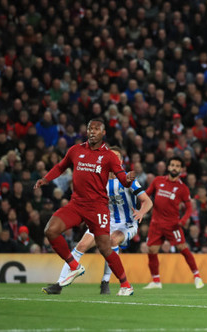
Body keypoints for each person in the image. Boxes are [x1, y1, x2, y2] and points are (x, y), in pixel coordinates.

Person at [34, 118, 136, 289]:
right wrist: (45, 179)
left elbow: (122, 179)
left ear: (103, 133)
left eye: (96, 129)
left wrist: (128, 180)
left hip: (97, 208)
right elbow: (60, 166)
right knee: (50, 231)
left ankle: (126, 284)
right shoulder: (75, 150)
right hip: (76, 204)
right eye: (90, 128)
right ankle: (74, 267)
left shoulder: (109, 156)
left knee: (105, 247)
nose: (92, 131)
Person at [42, 147, 153, 295]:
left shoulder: (127, 180)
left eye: (118, 157)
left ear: (120, 161)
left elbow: (147, 201)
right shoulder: (98, 180)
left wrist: (141, 212)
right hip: (103, 220)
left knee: (112, 241)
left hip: (126, 223)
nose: (115, 159)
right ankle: (59, 284)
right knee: (81, 245)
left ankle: (106, 282)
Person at [143, 156, 204, 289]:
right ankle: (156, 281)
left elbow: (189, 208)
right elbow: (146, 195)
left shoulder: (183, 188)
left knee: (182, 248)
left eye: (177, 166)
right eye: (172, 165)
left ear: (181, 169)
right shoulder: (158, 181)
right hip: (156, 223)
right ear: (168, 167)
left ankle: (197, 276)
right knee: (152, 250)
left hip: (172, 225)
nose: (174, 168)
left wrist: (183, 220)